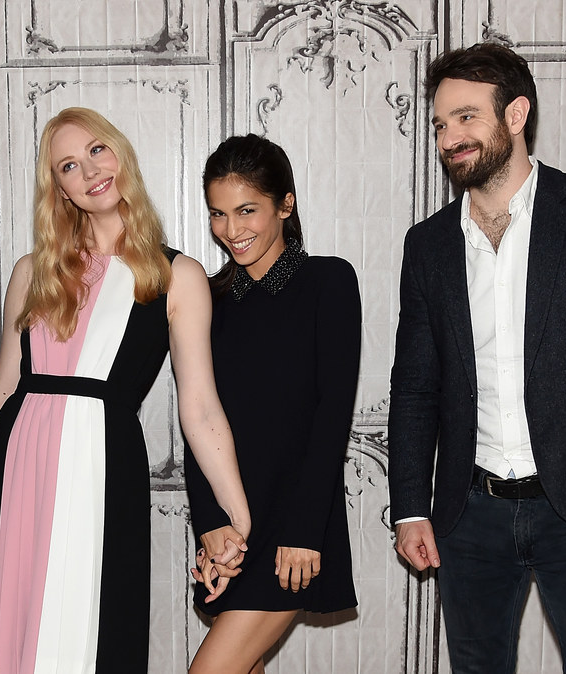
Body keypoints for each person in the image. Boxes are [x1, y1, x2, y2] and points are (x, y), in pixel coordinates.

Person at [388, 42, 566, 673]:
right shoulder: (428, 244)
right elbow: (414, 386)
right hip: (469, 513)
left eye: (466, 117)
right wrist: (410, 506)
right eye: (440, 123)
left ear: (516, 114)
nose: (449, 137)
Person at [0, 107, 251, 673]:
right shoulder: (30, 273)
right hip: (18, 473)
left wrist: (239, 516)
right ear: (60, 189)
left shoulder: (176, 276)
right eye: (68, 165)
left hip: (101, 469)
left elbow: (201, 407)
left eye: (96, 150)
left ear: (120, 153)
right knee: (13, 642)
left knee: (92, 634)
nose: (89, 170)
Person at [184, 135, 361, 674]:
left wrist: (305, 530)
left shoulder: (327, 281)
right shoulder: (207, 300)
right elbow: (196, 416)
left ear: (285, 205)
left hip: (293, 522)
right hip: (232, 532)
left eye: (246, 211)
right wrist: (211, 524)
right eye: (218, 213)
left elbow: (332, 414)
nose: (231, 230)